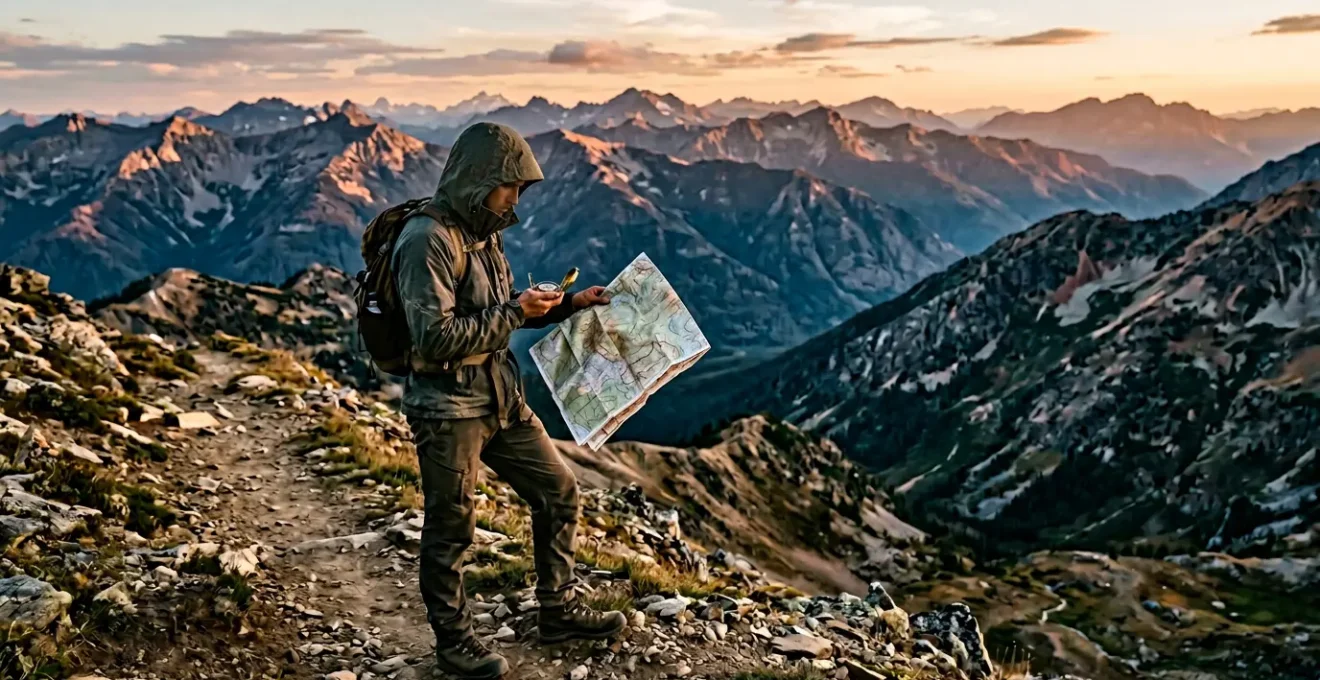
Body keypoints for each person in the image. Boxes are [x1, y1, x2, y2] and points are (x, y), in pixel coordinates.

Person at [392, 122, 626, 679]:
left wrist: (567, 305)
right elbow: (434, 338)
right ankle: (454, 643)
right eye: (510, 186)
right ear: (479, 179)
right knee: (452, 527)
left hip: (501, 397)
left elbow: (496, 315)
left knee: (558, 491)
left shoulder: (483, 231)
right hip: (448, 410)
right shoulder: (426, 241)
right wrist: (517, 312)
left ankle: (558, 611)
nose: (516, 199)